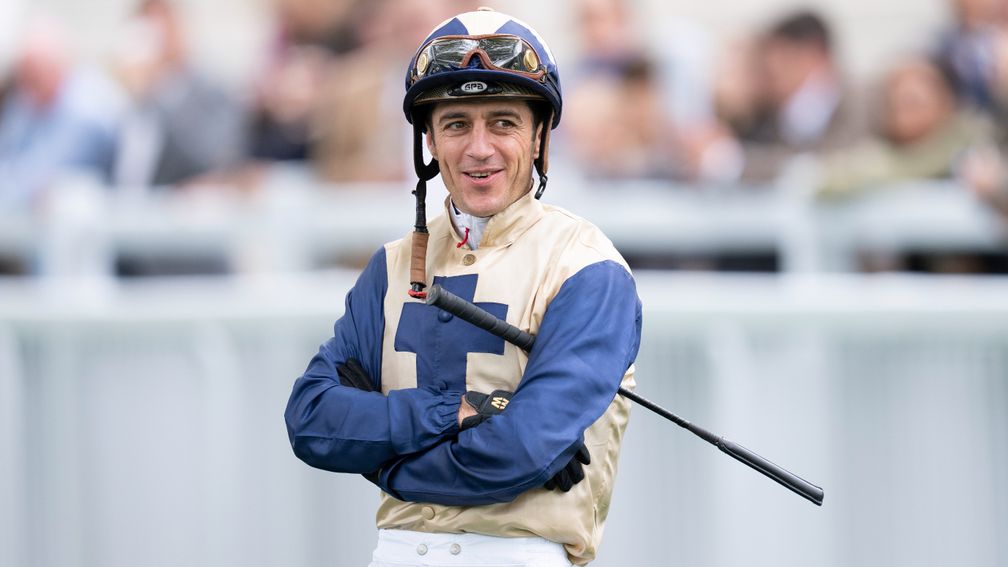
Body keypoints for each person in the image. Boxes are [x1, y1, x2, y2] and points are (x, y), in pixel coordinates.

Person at [284, 7, 642, 567]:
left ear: (540, 135)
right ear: (429, 139)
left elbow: (517, 451)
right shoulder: (390, 267)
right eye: (456, 123)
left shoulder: (589, 270)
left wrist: (385, 463)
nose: (479, 148)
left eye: (503, 122)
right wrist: (454, 412)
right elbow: (312, 419)